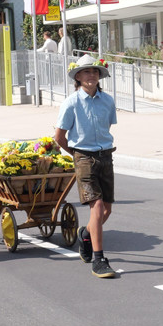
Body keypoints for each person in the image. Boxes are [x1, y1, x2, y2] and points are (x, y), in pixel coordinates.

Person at [54, 54, 118, 279]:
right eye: (86, 72)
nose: (91, 75)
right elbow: (59, 137)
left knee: (107, 209)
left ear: (99, 76)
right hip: (83, 157)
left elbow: (106, 127)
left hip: (106, 156)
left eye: (95, 71)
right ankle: (99, 260)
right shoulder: (71, 103)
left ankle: (85, 234)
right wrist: (77, 155)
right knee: (97, 206)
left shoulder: (108, 101)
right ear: (78, 77)